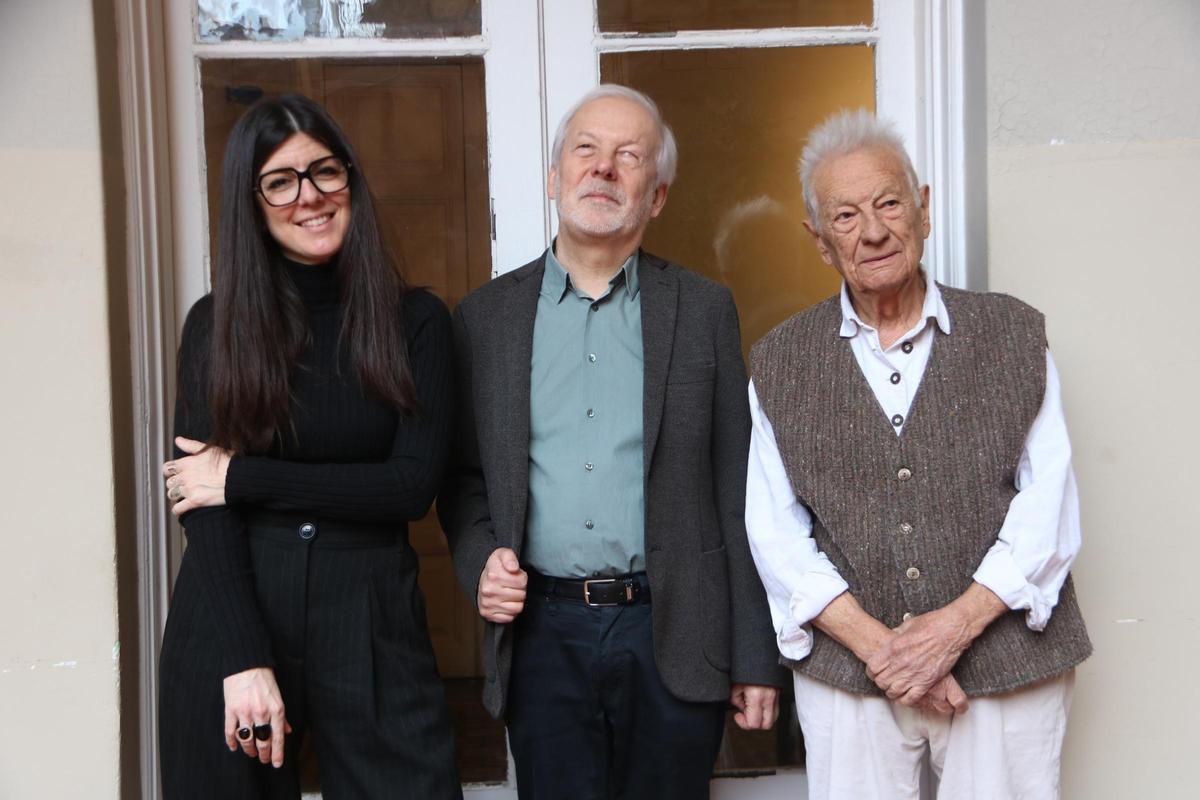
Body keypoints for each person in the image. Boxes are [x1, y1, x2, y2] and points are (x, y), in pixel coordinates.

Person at [437, 84, 784, 799]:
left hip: (676, 626)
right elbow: (463, 477)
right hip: (542, 632)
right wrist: (479, 563)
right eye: (585, 150)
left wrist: (756, 656)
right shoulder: (485, 319)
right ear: (555, 177)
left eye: (629, 156)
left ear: (656, 195)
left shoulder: (704, 310)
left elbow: (740, 489)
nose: (603, 168)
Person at [745, 109, 1092, 800]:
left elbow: (1048, 501)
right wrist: (886, 651)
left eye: (888, 203)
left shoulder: (1012, 333)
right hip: (849, 669)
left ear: (923, 209)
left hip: (1006, 657)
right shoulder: (780, 359)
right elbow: (775, 531)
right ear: (819, 241)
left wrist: (956, 628)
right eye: (845, 217)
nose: (873, 231)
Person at [157, 94, 460, 799]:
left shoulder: (415, 322)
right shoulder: (214, 326)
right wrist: (242, 659)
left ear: (350, 178)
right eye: (281, 180)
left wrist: (243, 478)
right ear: (252, 201)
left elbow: (409, 487)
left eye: (325, 171)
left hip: (370, 610)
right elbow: (201, 502)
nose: (310, 197)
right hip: (233, 607)